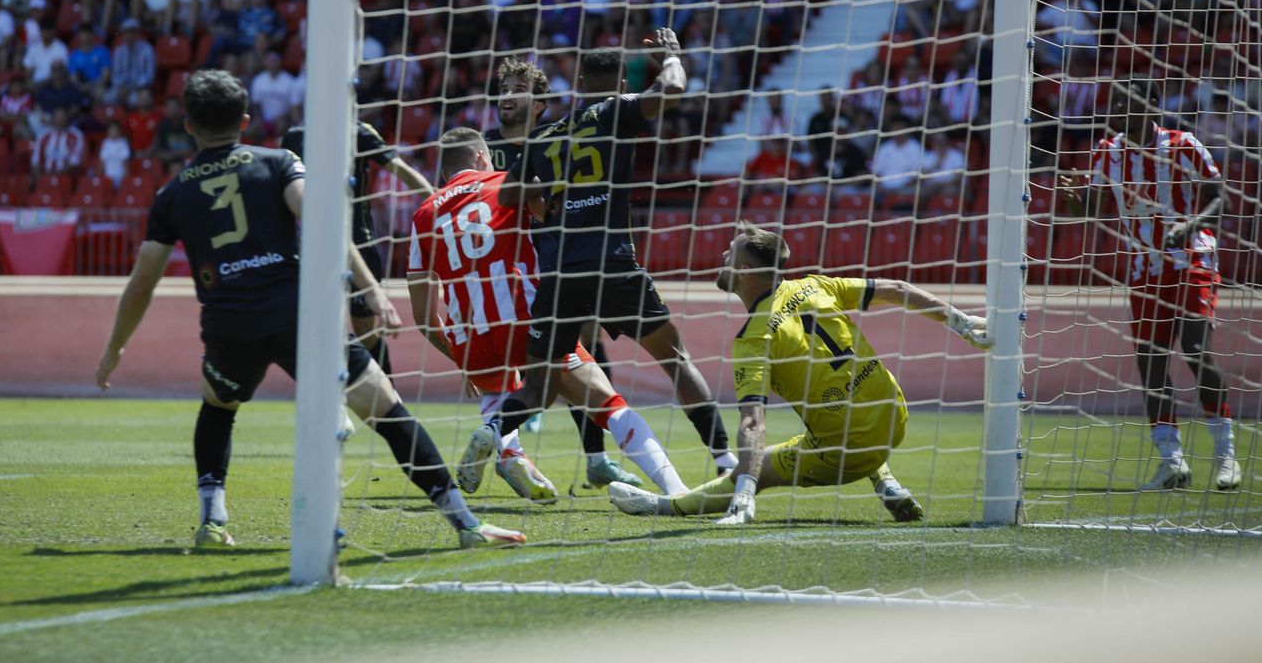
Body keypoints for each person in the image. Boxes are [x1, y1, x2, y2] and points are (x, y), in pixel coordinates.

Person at [95, 71, 523, 549]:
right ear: (245, 119)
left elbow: (142, 282)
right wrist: (372, 289)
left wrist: (115, 348)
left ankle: (212, 521)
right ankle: (465, 523)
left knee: (218, 407)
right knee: (387, 411)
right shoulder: (278, 163)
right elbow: (322, 221)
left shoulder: (171, 194)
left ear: (188, 126)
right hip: (295, 314)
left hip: (228, 322)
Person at [459, 36, 735, 488]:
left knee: (538, 387)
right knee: (676, 360)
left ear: (579, 81)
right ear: (622, 84)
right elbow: (673, 89)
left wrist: (542, 197)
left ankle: (489, 431)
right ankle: (724, 462)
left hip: (557, 274)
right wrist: (671, 55)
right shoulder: (615, 111)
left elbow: (507, 195)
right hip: (612, 262)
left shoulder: (545, 136)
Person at [606, 223, 992, 523]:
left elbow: (753, 423)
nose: (721, 256)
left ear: (744, 269)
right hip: (894, 413)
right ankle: (886, 480)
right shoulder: (816, 285)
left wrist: (746, 487)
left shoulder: (753, 338)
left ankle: (666, 505)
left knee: (761, 465)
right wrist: (959, 320)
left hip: (847, 450)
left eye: (729, 253)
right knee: (838, 408)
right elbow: (896, 287)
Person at [409, 128, 688, 504]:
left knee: (501, 394)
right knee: (607, 404)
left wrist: (459, 360)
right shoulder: (506, 184)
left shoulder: (424, 213)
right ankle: (676, 488)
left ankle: (508, 451)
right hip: (526, 320)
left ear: (445, 172)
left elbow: (424, 319)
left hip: (470, 338)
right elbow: (552, 215)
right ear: (480, 157)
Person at [1057, 77, 1241, 491]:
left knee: (1195, 350)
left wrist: (1189, 223)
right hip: (1143, 269)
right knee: (1151, 362)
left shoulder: (1183, 144)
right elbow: (1092, 207)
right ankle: (1172, 462)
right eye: (1115, 103)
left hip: (1192, 258)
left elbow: (1221, 200)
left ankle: (1225, 453)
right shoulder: (1109, 153)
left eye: (1128, 102)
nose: (1119, 111)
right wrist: (1074, 201)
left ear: (1153, 104)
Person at [483, 54, 637, 488]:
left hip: (554, 261)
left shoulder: (557, 139)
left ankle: (594, 456)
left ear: (539, 103)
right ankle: (511, 451)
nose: (507, 96)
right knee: (507, 363)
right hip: (502, 272)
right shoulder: (483, 145)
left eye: (518, 89)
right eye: (504, 88)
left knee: (580, 350)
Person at [280, 117, 432, 376]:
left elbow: (401, 170)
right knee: (320, 330)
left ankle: (387, 399)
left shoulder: (358, 131)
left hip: (359, 244)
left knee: (365, 332)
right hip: (314, 249)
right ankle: (332, 401)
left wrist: (438, 203)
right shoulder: (295, 136)